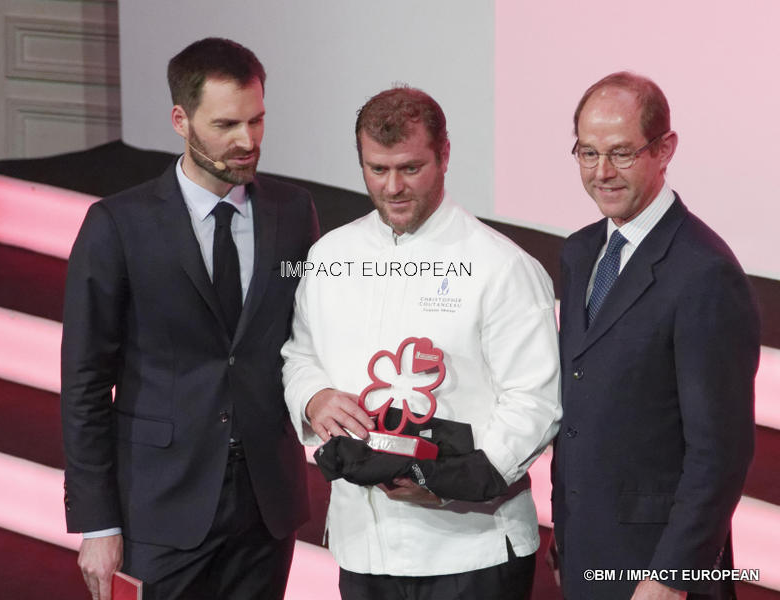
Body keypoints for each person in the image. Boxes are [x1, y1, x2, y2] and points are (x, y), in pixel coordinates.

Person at [61, 37, 318, 600]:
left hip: (267, 506)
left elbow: (306, 333)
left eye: (256, 120)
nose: (247, 140)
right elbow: (84, 382)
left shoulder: (294, 212)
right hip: (159, 506)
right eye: (226, 124)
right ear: (181, 120)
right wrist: (97, 523)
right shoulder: (118, 225)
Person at [282, 86, 562, 600]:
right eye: (377, 169)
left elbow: (536, 401)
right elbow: (300, 354)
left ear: (444, 155)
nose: (393, 187)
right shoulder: (329, 257)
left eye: (410, 168)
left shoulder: (503, 267)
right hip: (361, 546)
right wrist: (313, 397)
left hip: (472, 549)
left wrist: (455, 480)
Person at [550, 71, 760, 599]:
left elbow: (720, 452)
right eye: (588, 153)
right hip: (583, 552)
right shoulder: (579, 253)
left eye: (621, 153)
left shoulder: (706, 273)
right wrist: (567, 540)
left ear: (665, 149)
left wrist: (673, 574)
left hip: (658, 573)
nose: (602, 172)